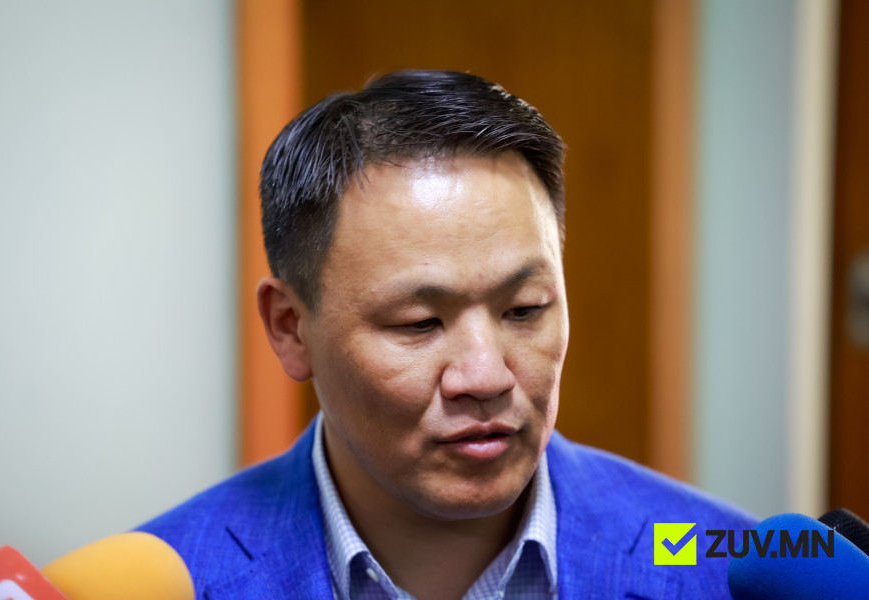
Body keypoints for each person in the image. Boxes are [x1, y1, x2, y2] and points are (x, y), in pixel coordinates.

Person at [139, 70, 755, 599]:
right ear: (289, 328)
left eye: (525, 310)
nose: (486, 377)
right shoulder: (169, 579)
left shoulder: (731, 561)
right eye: (419, 323)